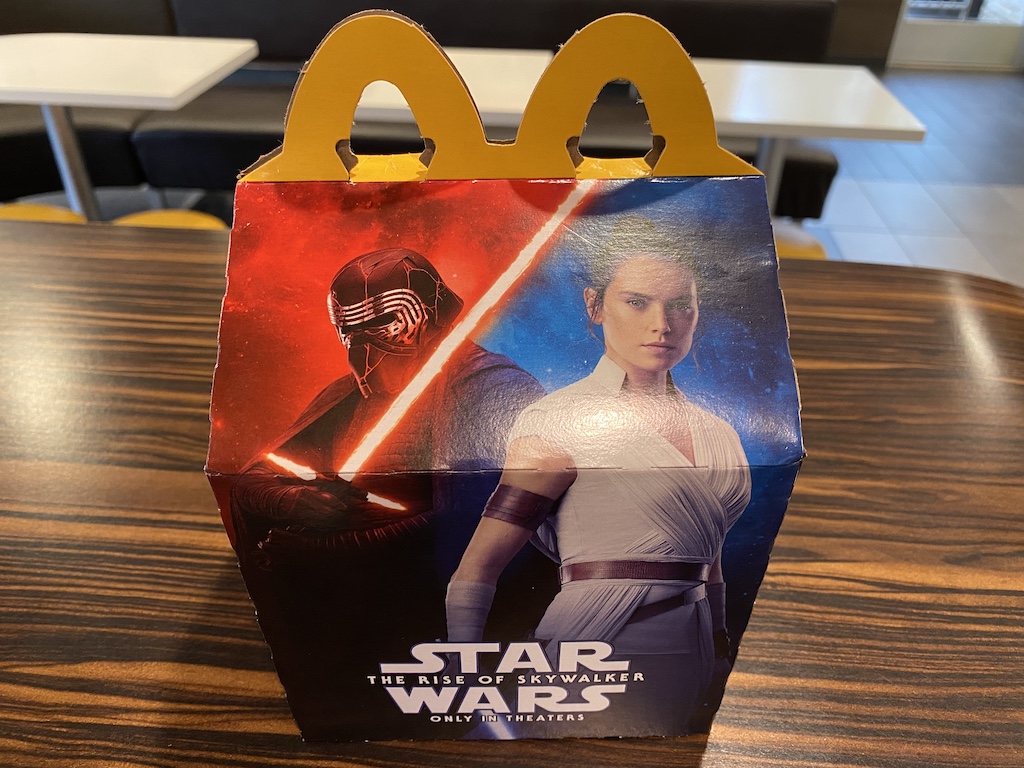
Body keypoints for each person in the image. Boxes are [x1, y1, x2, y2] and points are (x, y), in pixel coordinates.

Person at [446, 218, 752, 734]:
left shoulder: (718, 431)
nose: (662, 324)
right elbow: (476, 569)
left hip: (695, 647)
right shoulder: (557, 422)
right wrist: (462, 674)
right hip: (596, 641)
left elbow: (709, 557)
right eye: (637, 302)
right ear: (595, 305)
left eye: (681, 305)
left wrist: (720, 647)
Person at [229, 247, 548, 739]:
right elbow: (251, 478)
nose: (363, 343)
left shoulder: (490, 385)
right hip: (355, 612)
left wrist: (328, 547)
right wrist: (295, 502)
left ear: (429, 309)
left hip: (444, 608)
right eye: (349, 328)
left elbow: (484, 516)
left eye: (381, 321)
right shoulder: (344, 396)